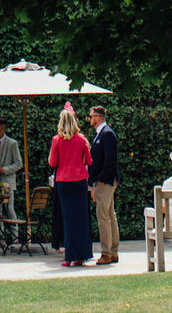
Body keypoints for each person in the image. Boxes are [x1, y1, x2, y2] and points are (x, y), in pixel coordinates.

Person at [48, 104, 92, 268]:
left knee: (67, 220)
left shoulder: (56, 140)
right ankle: (81, 255)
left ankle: (69, 256)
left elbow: (53, 162)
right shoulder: (81, 139)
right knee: (81, 219)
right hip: (79, 181)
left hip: (63, 182)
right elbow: (89, 160)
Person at [86, 104, 120, 267]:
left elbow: (109, 161)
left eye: (91, 116)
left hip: (105, 181)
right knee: (110, 215)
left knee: (103, 217)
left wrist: (99, 181)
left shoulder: (107, 134)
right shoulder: (101, 134)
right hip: (104, 180)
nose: (90, 119)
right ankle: (113, 251)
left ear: (98, 117)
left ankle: (107, 252)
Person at [0, 119, 21, 220]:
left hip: (7, 183)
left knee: (9, 209)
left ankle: (15, 235)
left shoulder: (12, 143)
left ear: (2, 128)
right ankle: (0, 236)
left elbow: (19, 163)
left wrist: (4, 169)